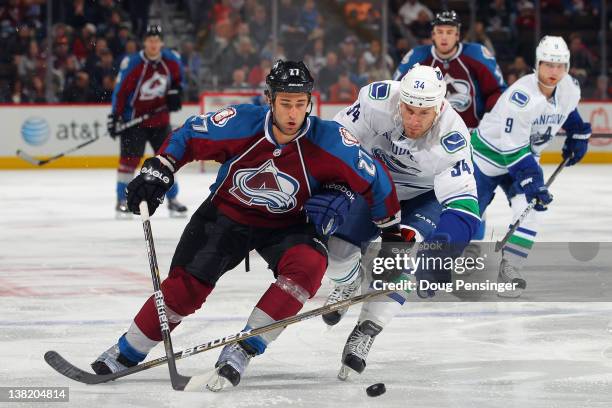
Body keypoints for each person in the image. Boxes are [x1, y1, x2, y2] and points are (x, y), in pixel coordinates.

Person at [91, 60, 401, 391]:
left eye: (300, 104)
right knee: (184, 290)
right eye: (285, 103)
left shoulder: (331, 141)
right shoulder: (240, 122)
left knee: (309, 266)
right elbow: (189, 135)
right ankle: (127, 350)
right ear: (270, 99)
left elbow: (376, 181)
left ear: (309, 102)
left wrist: (392, 232)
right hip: (226, 216)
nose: (293, 113)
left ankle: (242, 349)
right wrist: (161, 167)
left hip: (289, 225)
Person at [322, 65, 480, 378]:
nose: (415, 121)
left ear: (439, 107)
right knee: (338, 250)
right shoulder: (375, 101)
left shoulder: (453, 136)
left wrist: (441, 253)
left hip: (426, 197)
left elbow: (464, 208)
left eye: (424, 112)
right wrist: (330, 188)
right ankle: (348, 280)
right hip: (378, 186)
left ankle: (366, 331)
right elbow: (334, 144)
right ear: (400, 101)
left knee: (400, 258)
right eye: (409, 110)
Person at [468, 36, 591, 297]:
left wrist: (578, 133)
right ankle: (435, 261)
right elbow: (512, 149)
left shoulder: (568, 87)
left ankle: (511, 267)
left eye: (560, 66)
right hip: (487, 157)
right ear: (537, 65)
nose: (554, 72)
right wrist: (533, 182)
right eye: (548, 65)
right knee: (465, 214)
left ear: (567, 67)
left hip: (524, 157)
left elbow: (567, 111)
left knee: (531, 210)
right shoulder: (521, 96)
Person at [107, 24, 187, 218]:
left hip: (160, 121)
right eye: (150, 40)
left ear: (161, 43)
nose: (153, 44)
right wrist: (115, 116)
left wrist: (177, 92)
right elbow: (121, 92)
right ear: (144, 43)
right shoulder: (133, 63)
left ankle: (172, 199)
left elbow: (179, 82)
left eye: (156, 41)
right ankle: (121, 199)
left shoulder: (172, 61)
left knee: (167, 161)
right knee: (128, 162)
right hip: (134, 121)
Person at [393, 10, 506, 129]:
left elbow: (498, 91)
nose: (444, 37)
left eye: (449, 32)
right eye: (440, 32)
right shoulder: (417, 57)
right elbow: (396, 89)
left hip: (471, 132)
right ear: (433, 35)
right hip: (426, 134)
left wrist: (488, 123)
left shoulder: (477, 54)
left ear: (457, 35)